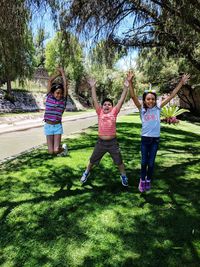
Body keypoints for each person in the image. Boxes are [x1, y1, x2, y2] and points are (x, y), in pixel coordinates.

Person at [127, 71, 190, 192]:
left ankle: (148, 180)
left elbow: (172, 95)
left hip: (155, 140)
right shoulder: (141, 110)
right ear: (144, 100)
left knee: (151, 163)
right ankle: (142, 180)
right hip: (145, 139)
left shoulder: (158, 108)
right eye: (148, 99)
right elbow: (133, 96)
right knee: (144, 161)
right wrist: (130, 82)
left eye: (152, 99)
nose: (150, 101)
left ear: (155, 100)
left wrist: (181, 83)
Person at [80, 77, 129, 186]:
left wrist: (126, 88)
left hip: (112, 143)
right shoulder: (100, 112)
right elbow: (95, 100)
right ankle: (86, 172)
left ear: (112, 107)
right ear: (102, 107)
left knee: (119, 161)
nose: (107, 106)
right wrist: (93, 87)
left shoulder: (114, 112)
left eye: (109, 104)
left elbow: (121, 100)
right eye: (105, 104)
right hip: (100, 143)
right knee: (92, 160)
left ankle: (124, 176)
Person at [44, 67, 68, 156]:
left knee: (56, 150)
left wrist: (63, 74)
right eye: (57, 93)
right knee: (51, 152)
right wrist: (59, 73)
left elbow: (65, 86)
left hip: (57, 126)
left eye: (61, 93)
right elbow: (50, 81)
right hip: (48, 126)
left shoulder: (63, 101)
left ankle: (63, 148)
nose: (59, 95)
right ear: (53, 93)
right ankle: (61, 148)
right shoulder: (49, 97)